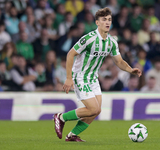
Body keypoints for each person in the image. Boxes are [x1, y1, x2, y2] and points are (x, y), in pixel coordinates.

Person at [53, 7, 142, 142]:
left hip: (93, 78)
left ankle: (72, 135)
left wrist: (130, 70)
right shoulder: (89, 39)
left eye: (109, 20)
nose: (107, 22)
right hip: (80, 76)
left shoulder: (112, 42)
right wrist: (68, 78)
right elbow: (71, 54)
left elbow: (118, 61)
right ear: (97, 22)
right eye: (104, 20)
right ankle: (60, 117)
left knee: (96, 111)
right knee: (92, 108)